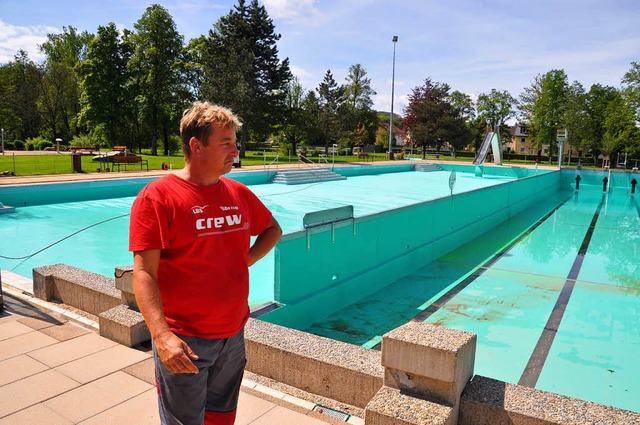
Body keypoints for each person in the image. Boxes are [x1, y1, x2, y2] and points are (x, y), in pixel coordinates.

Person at [129, 101, 282, 425]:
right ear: (196, 146)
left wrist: (242, 261)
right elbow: (144, 273)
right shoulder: (158, 197)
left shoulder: (238, 193)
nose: (235, 149)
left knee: (221, 418)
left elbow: (272, 230)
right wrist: (162, 336)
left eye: (234, 141)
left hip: (233, 334)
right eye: (225, 142)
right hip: (185, 339)